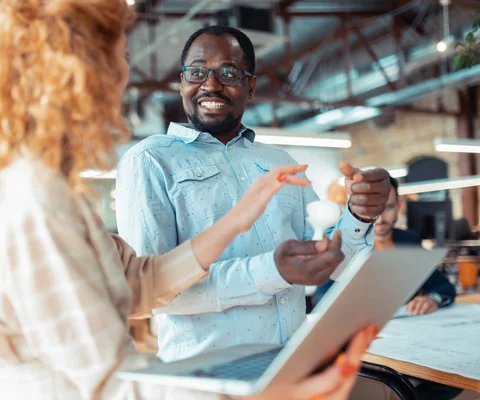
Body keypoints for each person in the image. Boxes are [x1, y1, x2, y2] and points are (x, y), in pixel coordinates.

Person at [0, 1, 377, 399]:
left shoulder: (42, 189)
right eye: (120, 60)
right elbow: (111, 383)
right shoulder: (32, 203)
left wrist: (236, 220)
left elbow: (140, 281)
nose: (122, 77)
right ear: (79, 74)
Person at [116, 25, 390, 362]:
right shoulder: (150, 160)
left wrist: (359, 214)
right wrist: (271, 272)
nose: (211, 84)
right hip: (209, 376)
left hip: (292, 365)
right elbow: (153, 291)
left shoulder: (279, 163)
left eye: (228, 72)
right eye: (197, 71)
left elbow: (331, 264)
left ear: (251, 86)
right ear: (183, 81)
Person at [315, 177, 456, 315]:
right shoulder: (341, 244)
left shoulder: (409, 240)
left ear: (399, 205)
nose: (380, 218)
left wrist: (433, 299)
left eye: (387, 207)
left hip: (406, 328)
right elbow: (322, 298)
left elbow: (444, 287)